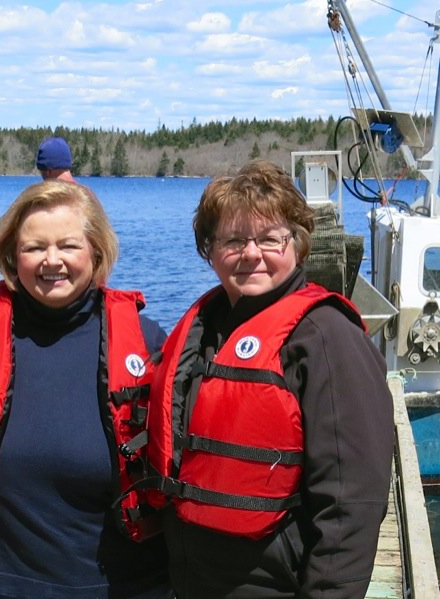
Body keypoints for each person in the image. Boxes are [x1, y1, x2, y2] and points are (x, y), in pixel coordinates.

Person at [145, 160, 394, 598]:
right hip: (191, 580)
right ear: (211, 250)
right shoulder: (205, 327)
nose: (251, 253)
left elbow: (351, 504)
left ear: (297, 245)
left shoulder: (327, 338)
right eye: (234, 240)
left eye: (269, 239)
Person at [0, 180, 171, 598]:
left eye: (68, 245)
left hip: (127, 586)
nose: (52, 261)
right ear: (13, 256)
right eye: (35, 247)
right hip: (6, 585)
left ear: (96, 251)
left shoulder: (145, 341)